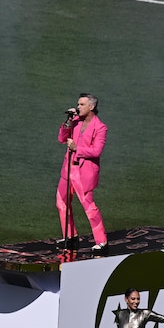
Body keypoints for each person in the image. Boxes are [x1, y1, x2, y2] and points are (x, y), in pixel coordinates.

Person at [56, 93, 108, 252]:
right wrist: (68, 121)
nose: (78, 107)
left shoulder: (100, 128)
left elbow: (96, 151)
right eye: (78, 104)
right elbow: (61, 138)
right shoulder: (76, 121)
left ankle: (102, 241)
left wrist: (76, 148)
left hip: (83, 172)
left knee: (89, 207)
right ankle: (70, 235)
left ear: (91, 107)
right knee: (61, 201)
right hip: (68, 168)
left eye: (82, 104)